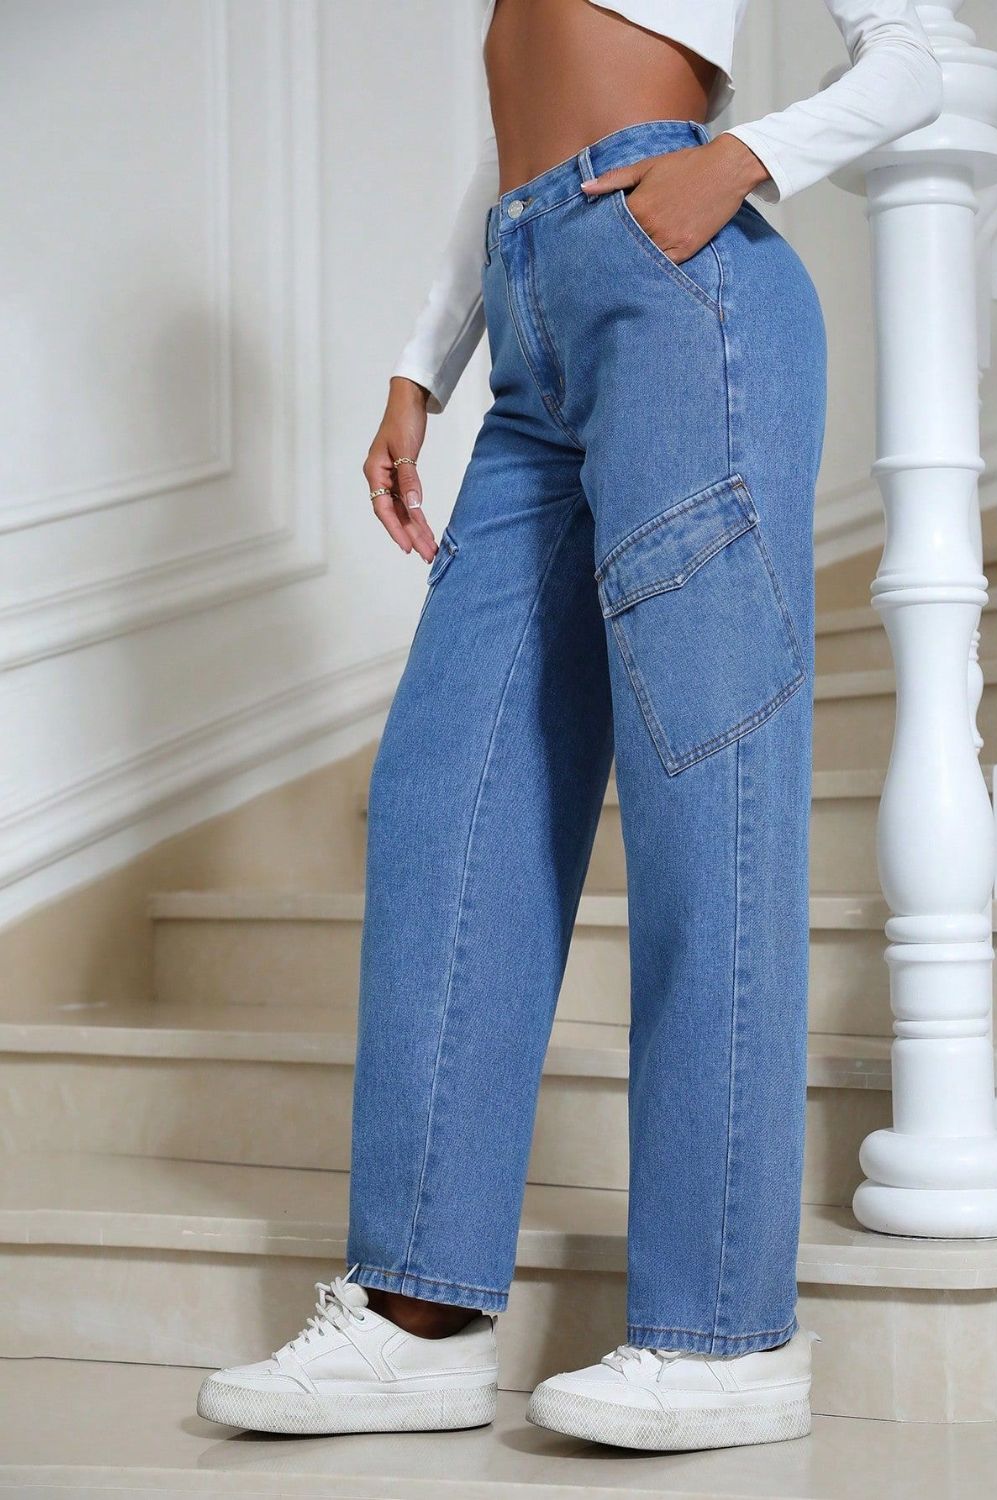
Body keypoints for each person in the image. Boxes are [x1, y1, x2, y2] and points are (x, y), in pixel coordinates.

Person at [198, 0, 941, 1452]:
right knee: (446, 795)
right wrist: (425, 363)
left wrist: (737, 164)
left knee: (705, 801)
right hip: (532, 311)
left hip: (681, 295)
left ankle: (724, 1335)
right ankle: (416, 1316)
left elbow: (916, 55)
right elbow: (514, 145)